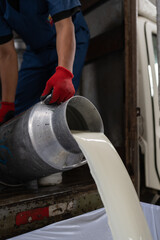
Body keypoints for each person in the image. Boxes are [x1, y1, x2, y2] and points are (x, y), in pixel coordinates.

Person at [0, 0, 89, 125]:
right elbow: (6, 54)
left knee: (58, 103)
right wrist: (7, 104)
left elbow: (64, 25)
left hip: (70, 39)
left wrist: (64, 73)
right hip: (36, 52)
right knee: (17, 113)